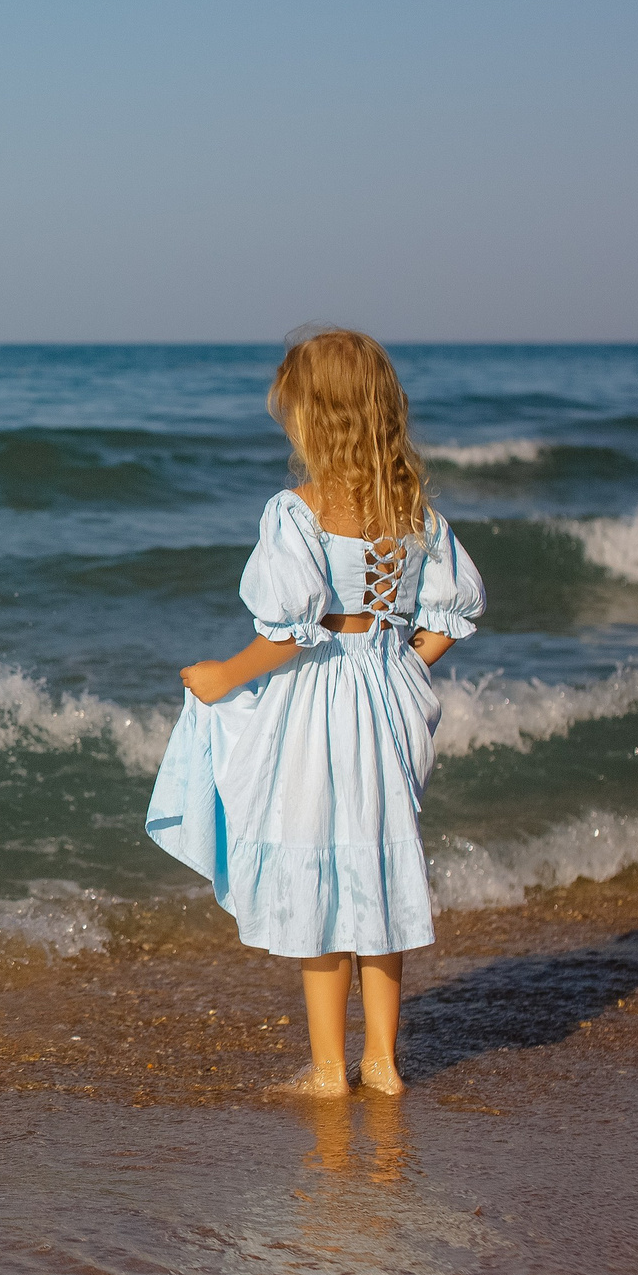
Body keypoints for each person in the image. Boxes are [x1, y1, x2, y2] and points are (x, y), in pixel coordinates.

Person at [145, 328, 485, 1097]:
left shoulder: (295, 512)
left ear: (311, 417)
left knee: (320, 870)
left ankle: (332, 1069)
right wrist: (398, 668)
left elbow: (288, 635)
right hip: (384, 694)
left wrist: (219, 677)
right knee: (379, 863)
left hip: (317, 703)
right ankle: (385, 1063)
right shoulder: (412, 513)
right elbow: (452, 611)